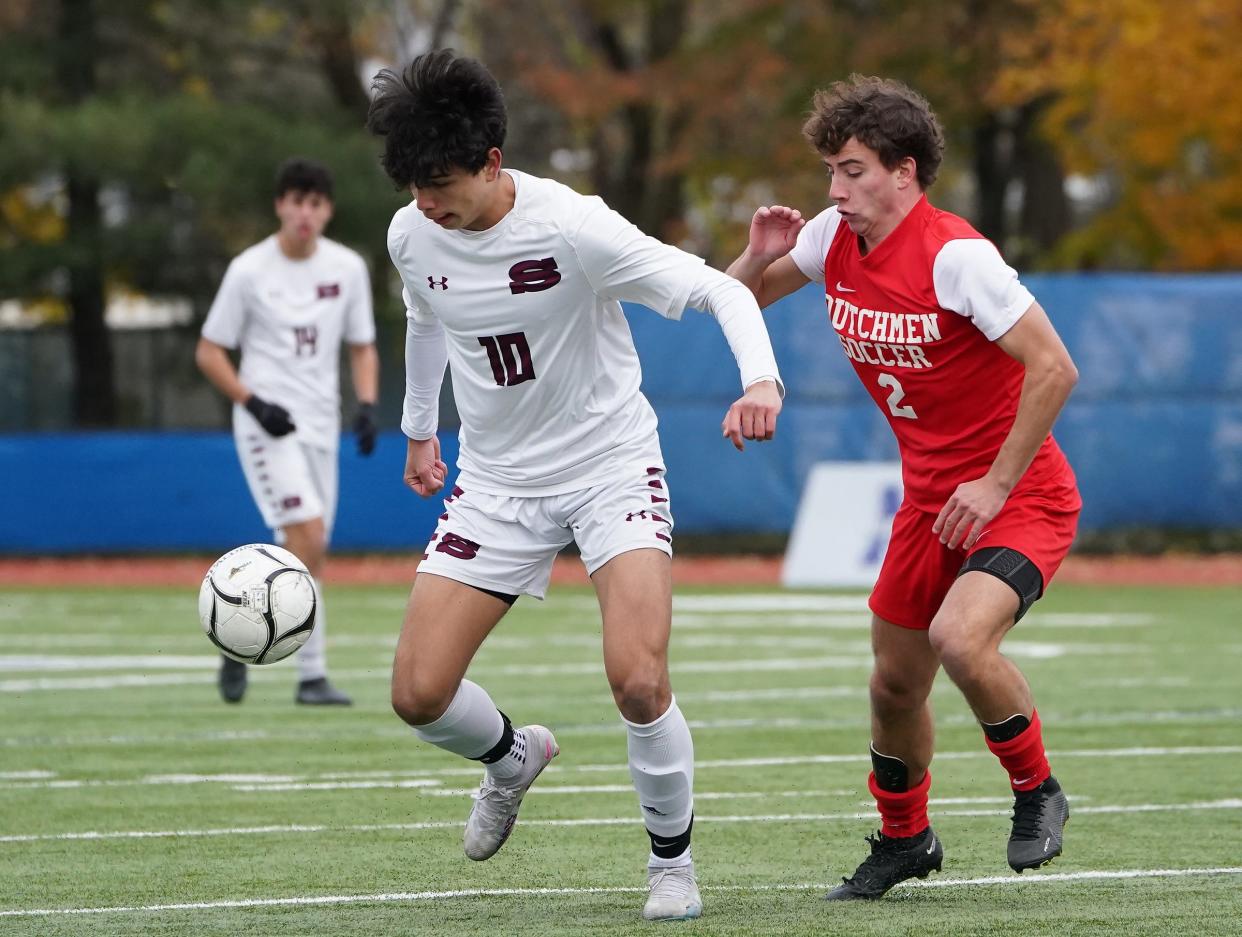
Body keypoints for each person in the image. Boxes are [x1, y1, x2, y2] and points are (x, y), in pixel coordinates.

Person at [365, 50, 783, 922]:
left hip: (608, 468)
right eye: (411, 187)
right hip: (497, 482)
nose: (424, 204)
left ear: (491, 162)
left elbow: (722, 294)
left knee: (637, 678)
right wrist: (416, 429)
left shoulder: (574, 226)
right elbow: (425, 315)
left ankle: (672, 862)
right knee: (417, 693)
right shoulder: (412, 231)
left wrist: (762, 381)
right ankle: (512, 756)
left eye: (439, 182)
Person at [726, 75, 1081, 900]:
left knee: (961, 639)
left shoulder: (957, 255)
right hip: (929, 503)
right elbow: (734, 303)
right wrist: (754, 256)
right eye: (830, 172)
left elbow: (1055, 367)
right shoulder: (829, 238)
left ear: (905, 171)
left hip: (1018, 492)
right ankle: (904, 839)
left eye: (851, 171)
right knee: (893, 683)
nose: (834, 190)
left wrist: (995, 484)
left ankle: (1037, 788)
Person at [196, 157, 379, 707]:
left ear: (328, 210)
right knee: (311, 534)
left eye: (316, 202)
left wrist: (367, 404)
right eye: (296, 201)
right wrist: (253, 402)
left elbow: (362, 344)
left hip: (321, 423)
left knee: (310, 549)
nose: (306, 212)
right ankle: (291, 665)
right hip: (267, 425)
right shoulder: (249, 270)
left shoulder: (347, 268)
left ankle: (273, 654)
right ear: (280, 205)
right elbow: (209, 352)